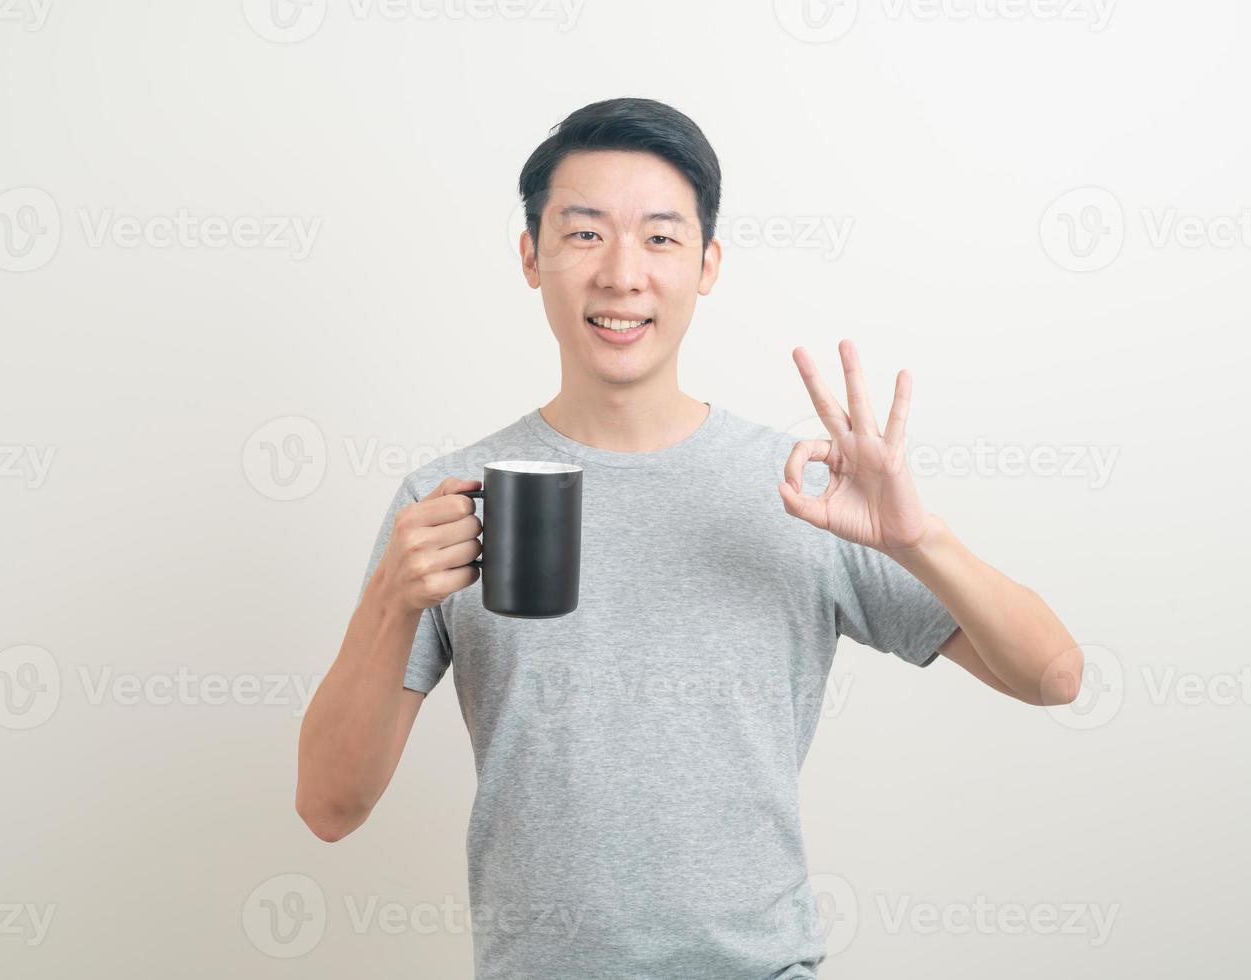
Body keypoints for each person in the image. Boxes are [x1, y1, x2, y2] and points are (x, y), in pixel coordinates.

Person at [295, 96, 1082, 979]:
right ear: (531, 256)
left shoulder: (808, 487)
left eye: (661, 238)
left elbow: (1054, 675)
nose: (623, 274)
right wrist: (388, 602)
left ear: (708, 264)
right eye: (585, 233)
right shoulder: (450, 505)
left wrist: (917, 539)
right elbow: (330, 806)